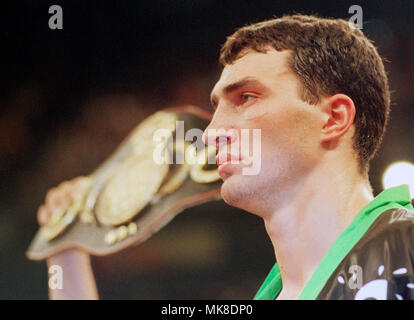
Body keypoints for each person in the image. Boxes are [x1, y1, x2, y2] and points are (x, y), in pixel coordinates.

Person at [37, 14, 414, 300]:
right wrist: (66, 250)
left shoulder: (406, 248)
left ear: (333, 119)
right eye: (215, 108)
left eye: (246, 98)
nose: (213, 133)